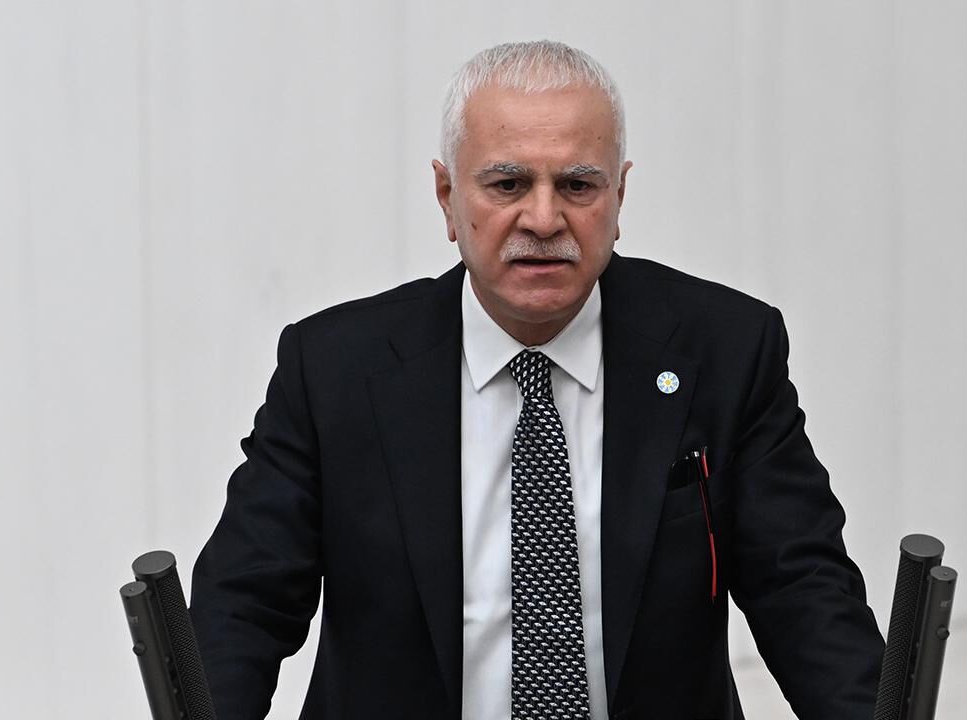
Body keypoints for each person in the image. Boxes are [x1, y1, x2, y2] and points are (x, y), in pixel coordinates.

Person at [189, 40, 884, 720]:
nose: (545, 219)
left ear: (619, 195)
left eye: (578, 186)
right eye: (508, 184)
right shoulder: (334, 369)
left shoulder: (725, 351)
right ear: (447, 196)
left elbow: (802, 588)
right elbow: (245, 600)